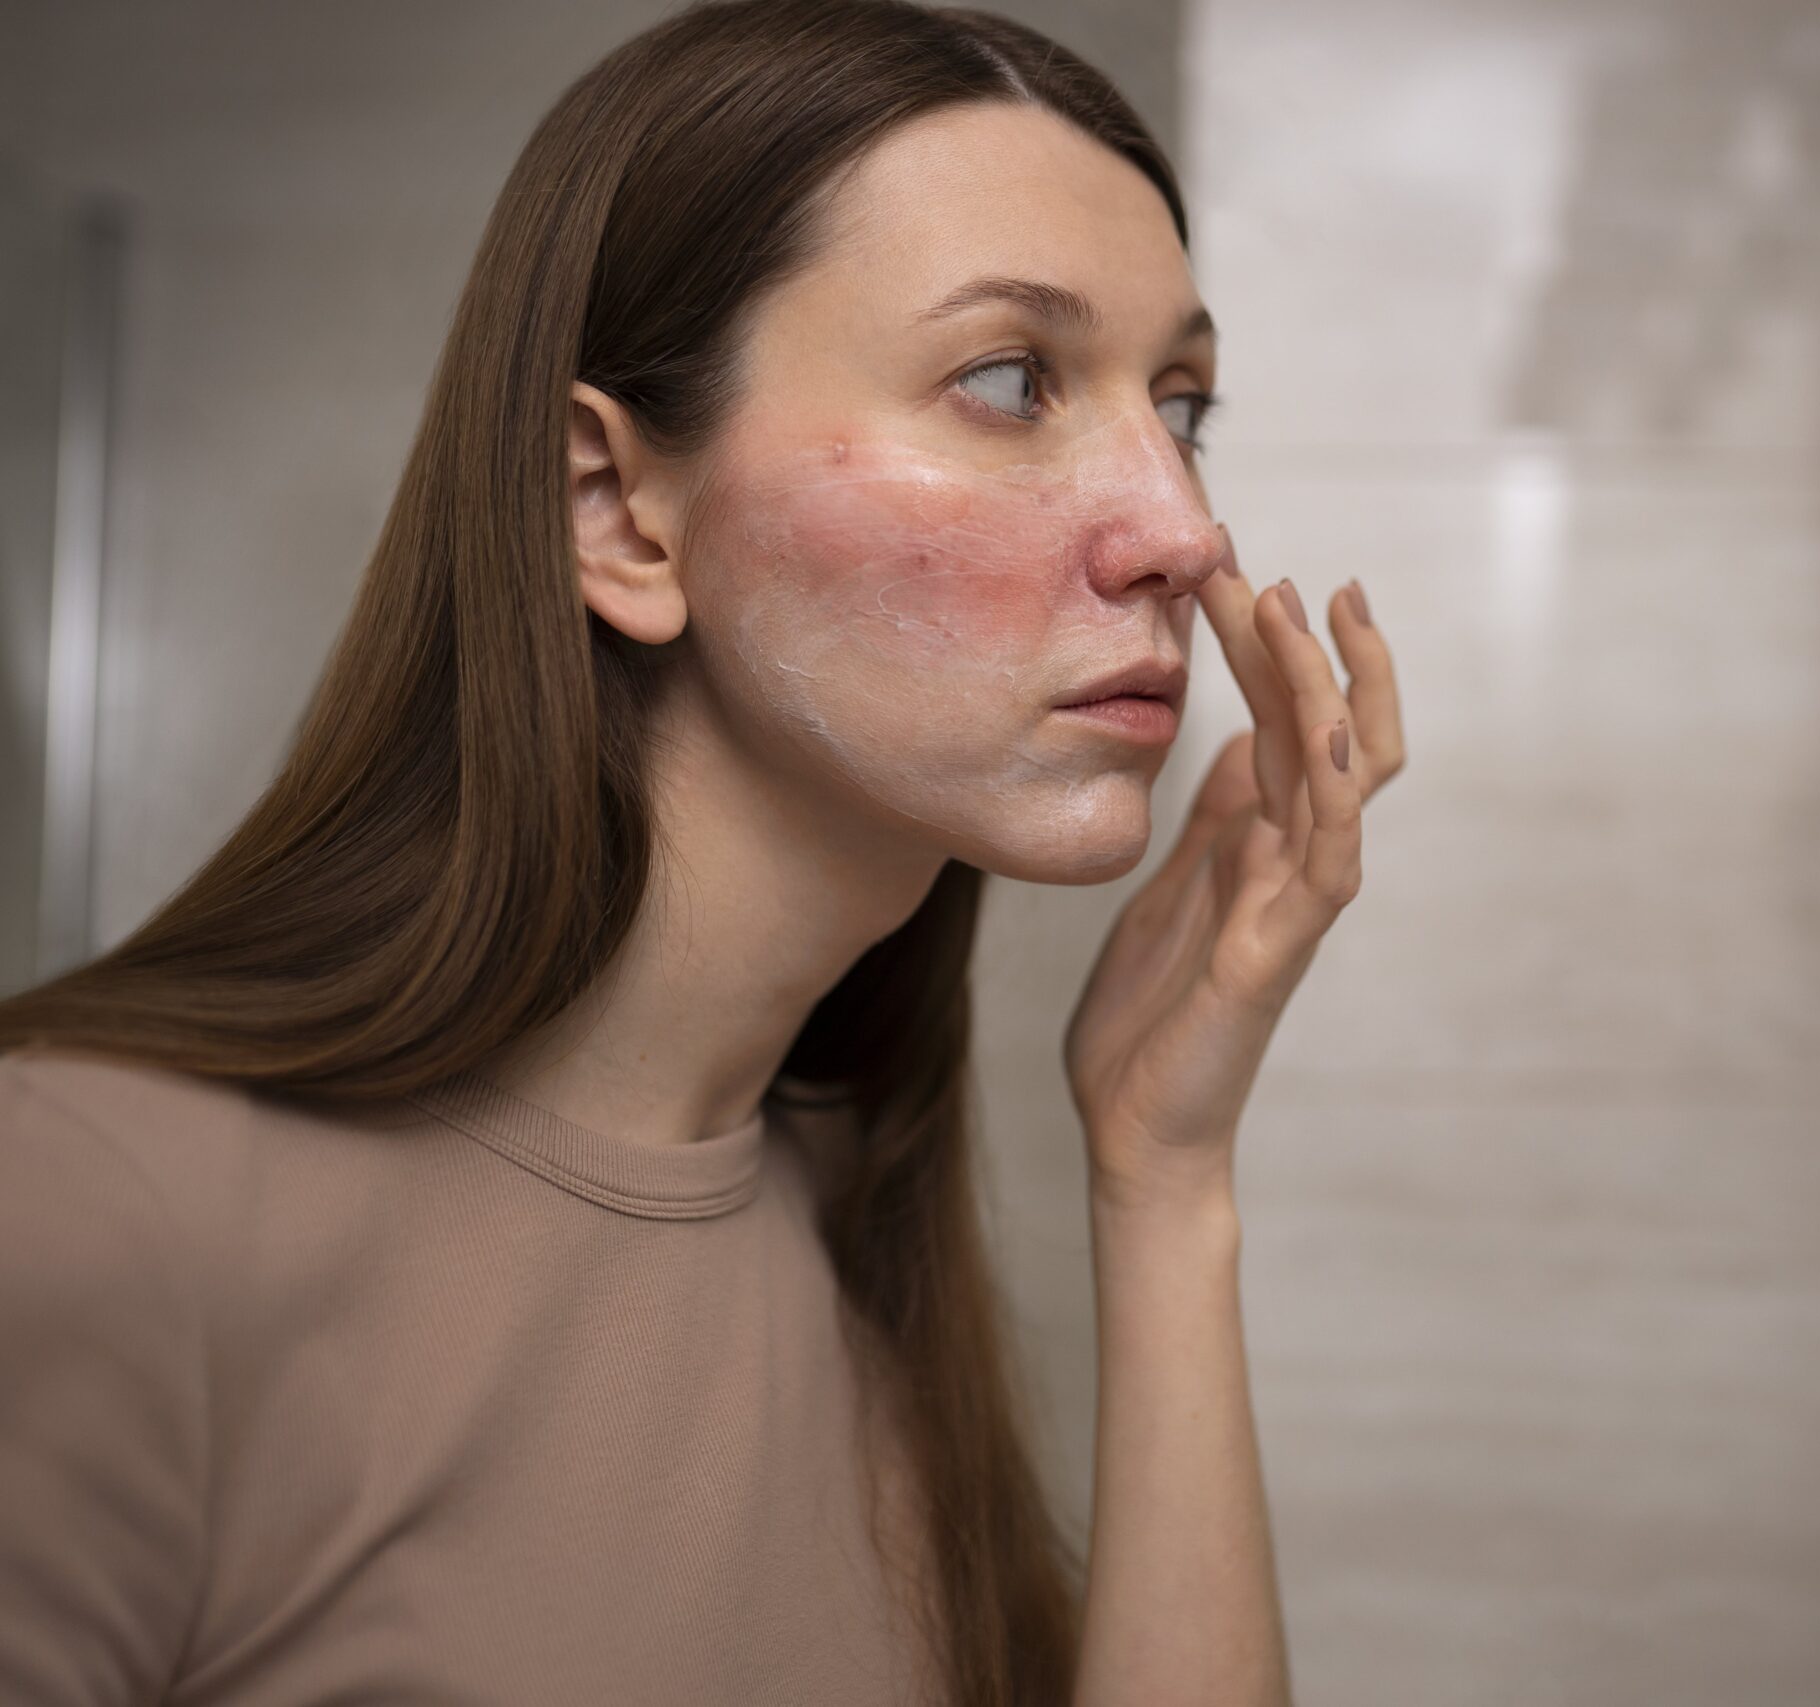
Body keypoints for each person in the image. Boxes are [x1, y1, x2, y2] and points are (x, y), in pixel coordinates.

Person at [0, 2, 1406, 1702]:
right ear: (617, 511)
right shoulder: (81, 1210)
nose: (1183, 532)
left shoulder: (849, 1233)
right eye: (1012, 380)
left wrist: (1166, 1183)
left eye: (1180, 404)